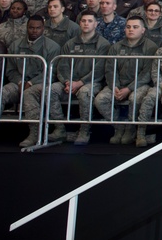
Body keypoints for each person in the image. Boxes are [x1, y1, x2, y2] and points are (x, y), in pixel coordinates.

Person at [0, 15, 59, 147]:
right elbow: (10, 69)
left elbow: (51, 72)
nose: (34, 30)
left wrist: (30, 83)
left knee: (29, 94)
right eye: (31, 27)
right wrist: (19, 82)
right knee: (0, 94)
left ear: (43, 29)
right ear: (26, 27)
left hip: (39, 84)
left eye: (38, 28)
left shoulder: (52, 47)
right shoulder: (16, 45)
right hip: (18, 83)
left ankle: (35, 133)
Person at [34, 10, 110, 147]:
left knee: (84, 92)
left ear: (96, 24)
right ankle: (59, 128)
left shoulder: (103, 44)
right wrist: (67, 82)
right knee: (50, 90)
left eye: (90, 21)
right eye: (83, 21)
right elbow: (62, 65)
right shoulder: (70, 44)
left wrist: (80, 83)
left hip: (92, 82)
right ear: (79, 23)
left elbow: (99, 69)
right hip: (69, 83)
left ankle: (84, 130)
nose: (86, 23)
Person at [94, 16, 158, 145]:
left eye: (135, 27)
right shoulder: (116, 47)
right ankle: (119, 127)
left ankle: (130, 129)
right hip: (117, 85)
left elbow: (146, 73)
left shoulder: (151, 47)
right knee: (100, 100)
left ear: (143, 30)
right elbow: (110, 69)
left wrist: (129, 89)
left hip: (141, 85)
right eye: (128, 27)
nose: (131, 30)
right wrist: (115, 87)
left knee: (135, 98)